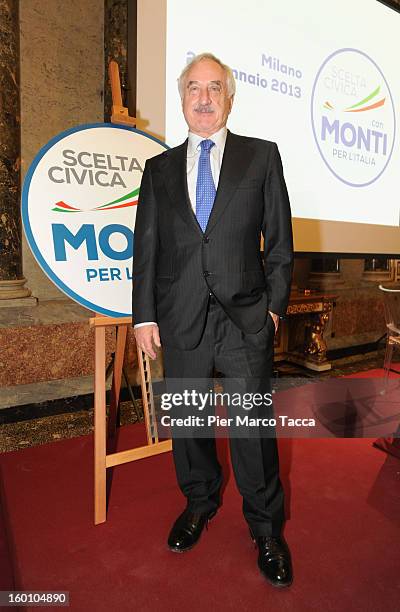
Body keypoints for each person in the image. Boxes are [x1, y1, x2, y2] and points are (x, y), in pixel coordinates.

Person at [132, 52, 294, 588]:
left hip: (246, 318)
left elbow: (281, 248)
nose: (204, 97)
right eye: (194, 88)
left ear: (229, 96)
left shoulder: (261, 157)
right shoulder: (157, 171)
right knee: (190, 425)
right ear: (182, 99)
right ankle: (199, 502)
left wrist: (272, 310)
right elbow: (147, 251)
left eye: (215, 87)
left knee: (253, 431)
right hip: (179, 320)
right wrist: (143, 317)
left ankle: (267, 528)